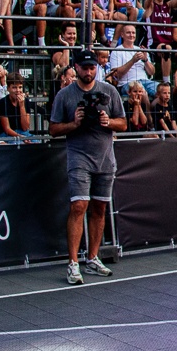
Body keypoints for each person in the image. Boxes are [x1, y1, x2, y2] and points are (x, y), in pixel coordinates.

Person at [48, 49, 128, 281]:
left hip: (105, 158)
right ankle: (73, 262)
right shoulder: (65, 95)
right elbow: (53, 129)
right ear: (76, 68)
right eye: (85, 68)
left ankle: (92, 258)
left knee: (100, 208)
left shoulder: (109, 91)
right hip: (79, 157)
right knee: (79, 206)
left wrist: (108, 121)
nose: (89, 72)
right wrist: (74, 124)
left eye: (92, 67)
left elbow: (123, 123)